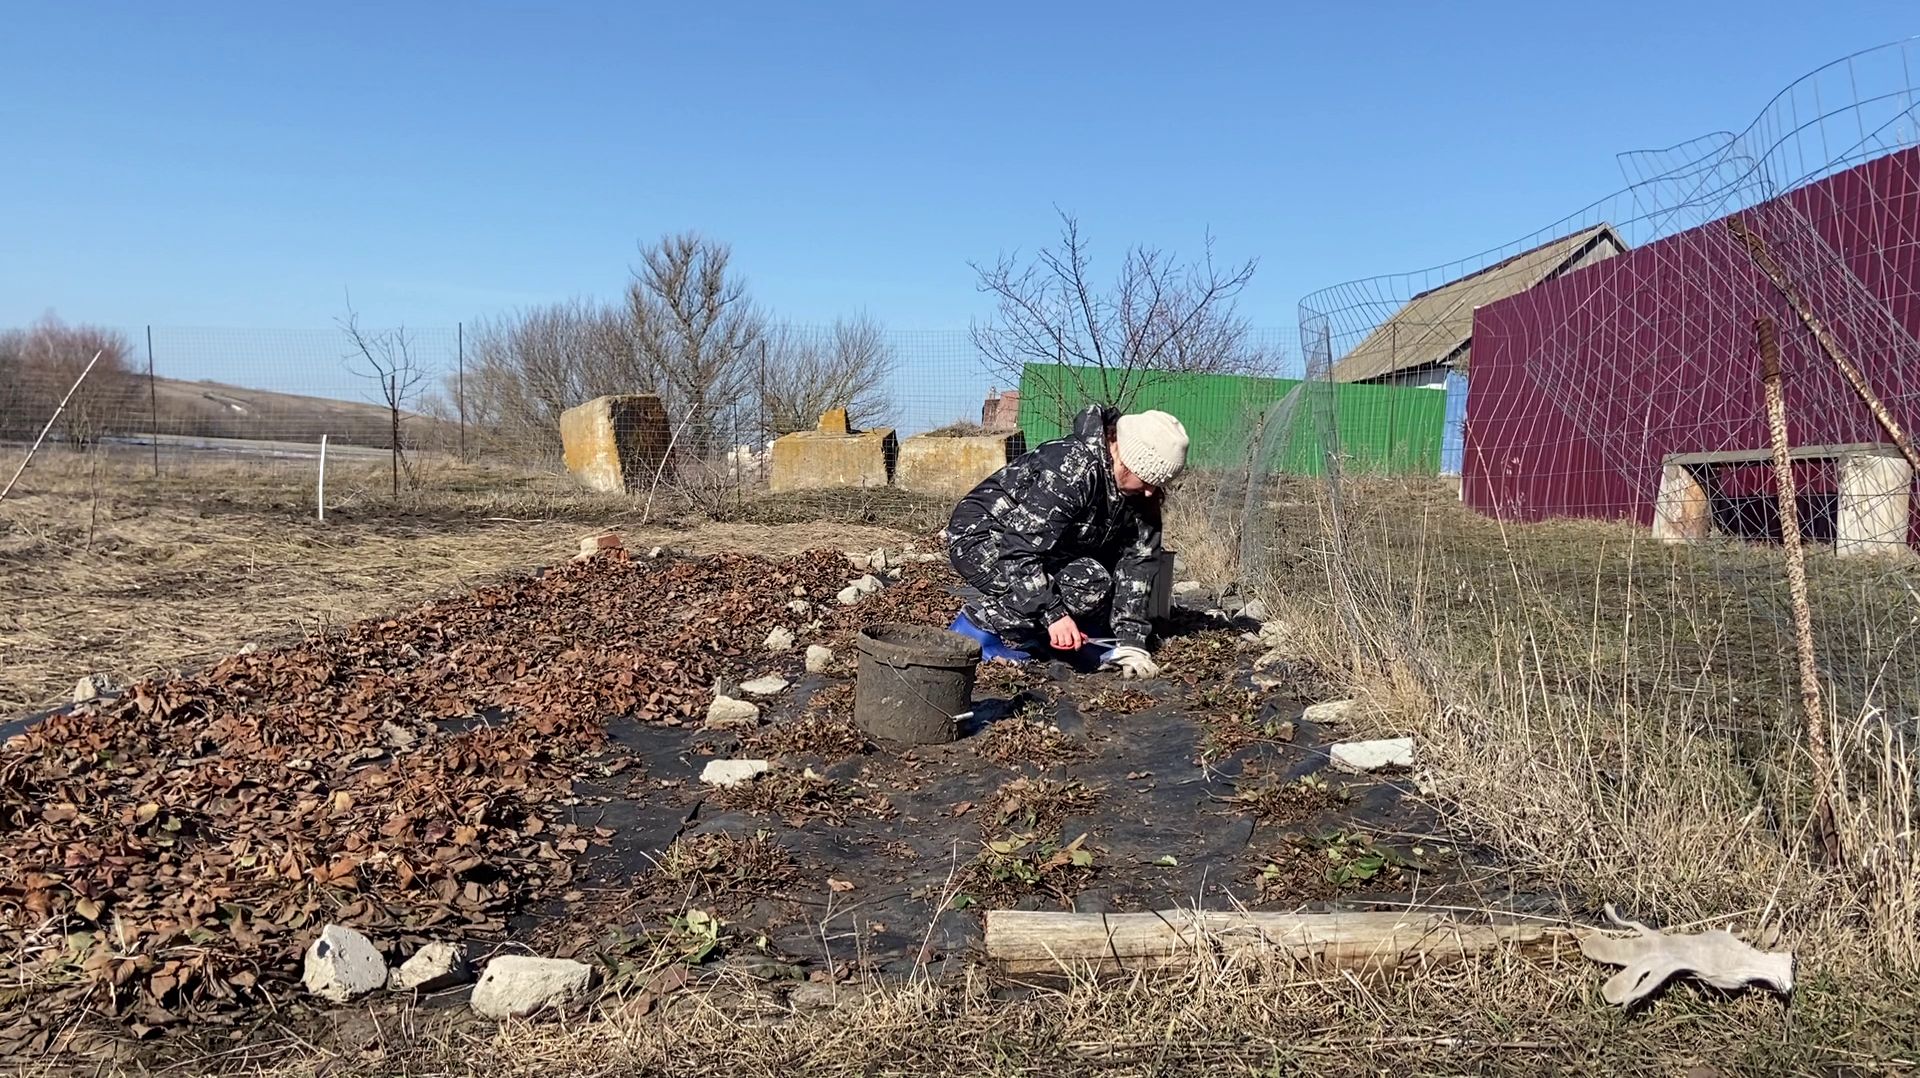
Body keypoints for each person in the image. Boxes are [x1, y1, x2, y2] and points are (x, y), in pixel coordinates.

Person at [944, 403, 1188, 679]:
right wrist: (1054, 615)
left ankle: (1065, 639)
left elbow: (1138, 563)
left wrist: (1131, 641)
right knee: (1085, 586)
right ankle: (976, 629)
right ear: (1125, 458)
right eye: (1145, 480)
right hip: (984, 537)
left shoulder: (1139, 496)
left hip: (1047, 544)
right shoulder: (1073, 469)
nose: (1148, 492)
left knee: (1096, 578)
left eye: (1157, 484)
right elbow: (1019, 550)